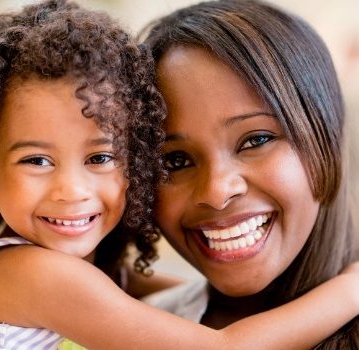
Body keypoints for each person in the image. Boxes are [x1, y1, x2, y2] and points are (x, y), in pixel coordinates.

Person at [0, 0, 359, 349]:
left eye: (100, 158)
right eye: (36, 160)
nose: (71, 190)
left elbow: (148, 292)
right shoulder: (34, 274)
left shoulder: (74, 275)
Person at [143, 0, 359, 348]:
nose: (216, 191)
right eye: (176, 161)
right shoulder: (139, 331)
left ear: (326, 136)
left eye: (256, 140)